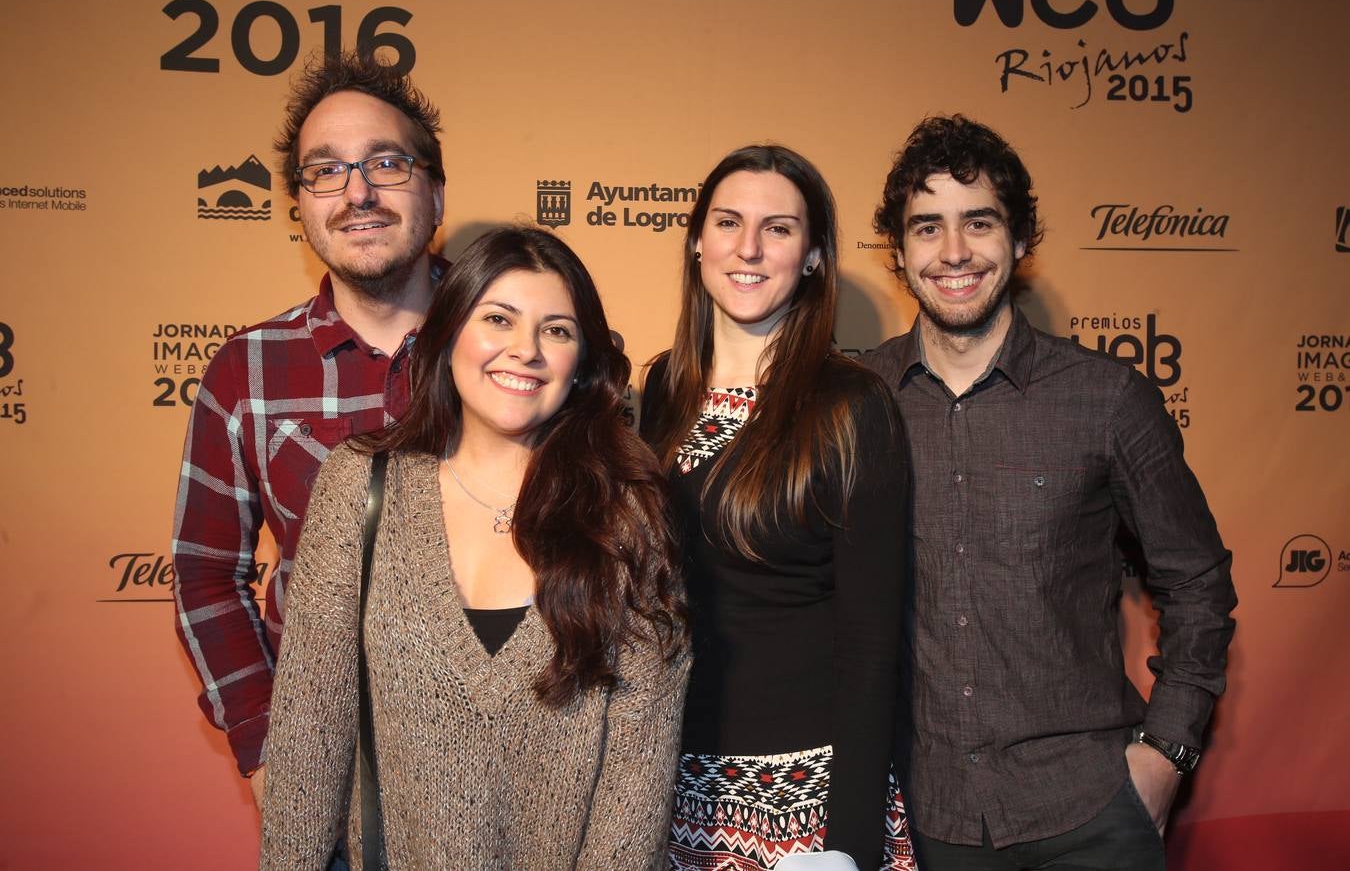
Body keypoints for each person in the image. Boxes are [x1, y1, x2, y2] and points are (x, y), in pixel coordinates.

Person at [863, 115, 1237, 870]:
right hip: (924, 820)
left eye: (980, 222)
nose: (955, 252)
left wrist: (1163, 757)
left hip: (1089, 811)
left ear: (1021, 240)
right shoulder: (856, 401)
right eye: (927, 228)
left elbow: (1196, 583)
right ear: (899, 254)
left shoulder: (1107, 399)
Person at [259, 225, 690, 869]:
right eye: (499, 319)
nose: (526, 351)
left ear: (582, 363)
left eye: (558, 330)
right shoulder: (361, 485)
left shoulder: (625, 513)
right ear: (451, 331)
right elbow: (309, 732)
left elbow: (638, 773)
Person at [171, 51, 447, 814]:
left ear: (435, 188)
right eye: (325, 171)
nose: (357, 192)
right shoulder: (247, 371)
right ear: (300, 204)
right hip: (331, 784)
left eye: (385, 163)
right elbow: (204, 576)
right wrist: (266, 750)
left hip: (508, 782)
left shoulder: (520, 350)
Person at [642, 145, 916, 871]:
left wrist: (846, 848)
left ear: (816, 256)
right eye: (728, 222)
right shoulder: (662, 390)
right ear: (697, 240)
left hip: (802, 805)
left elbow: (870, 647)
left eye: (780, 229)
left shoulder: (853, 404)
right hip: (666, 787)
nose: (749, 248)